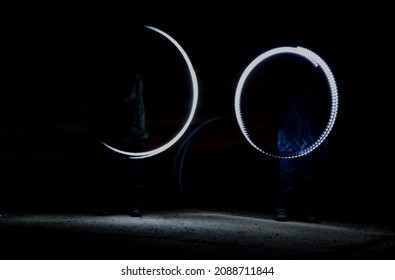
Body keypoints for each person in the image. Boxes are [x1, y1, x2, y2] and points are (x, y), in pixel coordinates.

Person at [273, 65, 329, 223]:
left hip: (306, 148)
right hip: (289, 146)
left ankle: (303, 211)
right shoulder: (291, 101)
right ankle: (282, 208)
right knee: (286, 178)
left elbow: (320, 128)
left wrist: (323, 147)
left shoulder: (314, 107)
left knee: (304, 181)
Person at [95, 73, 149, 217]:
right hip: (117, 135)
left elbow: (137, 108)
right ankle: (111, 205)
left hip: (135, 136)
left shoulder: (138, 85)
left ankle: (135, 206)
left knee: (134, 174)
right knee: (112, 172)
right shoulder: (116, 86)